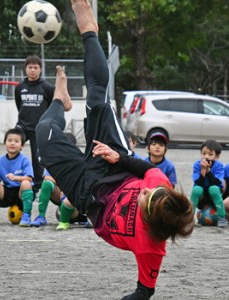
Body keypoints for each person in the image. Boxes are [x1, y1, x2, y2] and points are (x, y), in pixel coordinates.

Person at [35, 1, 194, 299]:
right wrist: (119, 156)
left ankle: (59, 101)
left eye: (145, 198)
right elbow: (147, 171)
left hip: (86, 194)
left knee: (43, 137)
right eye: (150, 191)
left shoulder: (151, 248)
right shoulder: (160, 186)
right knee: (97, 98)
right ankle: (89, 31)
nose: (145, 191)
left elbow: (143, 293)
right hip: (114, 165)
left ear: (152, 219)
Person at [31, 132, 88, 229]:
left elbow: (82, 183)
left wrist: (67, 190)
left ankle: (82, 217)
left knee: (74, 198)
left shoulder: (79, 160)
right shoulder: (53, 159)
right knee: (47, 184)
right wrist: (63, 185)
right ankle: (41, 217)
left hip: (73, 200)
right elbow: (47, 177)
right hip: (59, 194)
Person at [15, 55, 54, 195]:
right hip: (23, 127)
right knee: (13, 146)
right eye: (30, 67)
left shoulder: (47, 87)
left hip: (39, 129)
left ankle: (37, 187)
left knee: (37, 159)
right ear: (25, 69)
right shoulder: (20, 87)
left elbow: (52, 107)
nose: (32, 70)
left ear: (40, 69)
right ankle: (14, 181)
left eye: (35, 67)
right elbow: (18, 105)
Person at [190, 139, 228, 228]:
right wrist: (203, 171)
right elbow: (198, 183)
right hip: (202, 197)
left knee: (213, 188)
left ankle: (221, 217)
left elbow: (216, 182)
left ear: (217, 156)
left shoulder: (219, 166)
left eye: (210, 154)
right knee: (196, 189)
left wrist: (209, 171)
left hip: (214, 197)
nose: (206, 156)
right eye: (204, 154)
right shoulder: (197, 165)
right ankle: (189, 217)